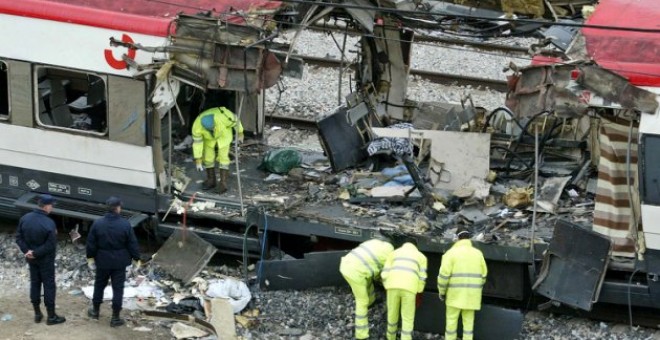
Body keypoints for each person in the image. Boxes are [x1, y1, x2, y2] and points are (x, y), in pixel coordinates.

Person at [86, 196, 141, 327]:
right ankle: (115, 318)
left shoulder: (98, 223)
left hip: (102, 260)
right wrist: (136, 258)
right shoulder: (125, 224)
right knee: (118, 289)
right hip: (119, 262)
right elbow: (132, 243)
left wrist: (90, 257)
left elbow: (91, 244)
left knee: (99, 285)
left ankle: (95, 311)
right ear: (117, 208)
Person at [15, 194, 66, 325]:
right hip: (45, 260)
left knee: (35, 283)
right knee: (49, 285)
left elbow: (18, 238)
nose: (52, 208)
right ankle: (51, 316)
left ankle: (37, 314)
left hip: (31, 259)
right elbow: (50, 245)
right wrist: (36, 253)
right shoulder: (49, 223)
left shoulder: (25, 218)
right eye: (51, 205)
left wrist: (27, 251)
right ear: (46, 206)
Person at [437, 226, 488, 340]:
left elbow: (443, 277)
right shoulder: (478, 254)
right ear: (469, 238)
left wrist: (442, 292)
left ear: (457, 238)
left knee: (451, 324)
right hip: (472, 296)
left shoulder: (450, 253)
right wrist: (476, 288)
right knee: (468, 327)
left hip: (454, 296)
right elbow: (483, 275)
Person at [339, 236, 394, 339]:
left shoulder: (373, 242)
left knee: (368, 281)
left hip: (346, 264)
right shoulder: (390, 253)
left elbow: (375, 265)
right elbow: (385, 275)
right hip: (355, 272)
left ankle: (371, 301)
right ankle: (361, 335)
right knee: (361, 301)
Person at [381, 238, 427, 340]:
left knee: (392, 315)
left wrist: (387, 285)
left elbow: (384, 274)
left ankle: (390, 337)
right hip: (410, 289)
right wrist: (419, 291)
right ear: (416, 246)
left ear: (404, 244)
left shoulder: (393, 253)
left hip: (392, 286)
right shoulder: (421, 257)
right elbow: (422, 277)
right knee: (407, 319)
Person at [192, 106, 244, 194]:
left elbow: (236, 121)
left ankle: (223, 183)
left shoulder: (223, 116)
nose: (212, 130)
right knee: (208, 158)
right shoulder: (197, 126)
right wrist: (198, 159)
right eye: (210, 130)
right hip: (209, 140)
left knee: (223, 158)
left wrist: (240, 133)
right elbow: (197, 143)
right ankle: (211, 180)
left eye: (213, 128)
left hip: (224, 136)